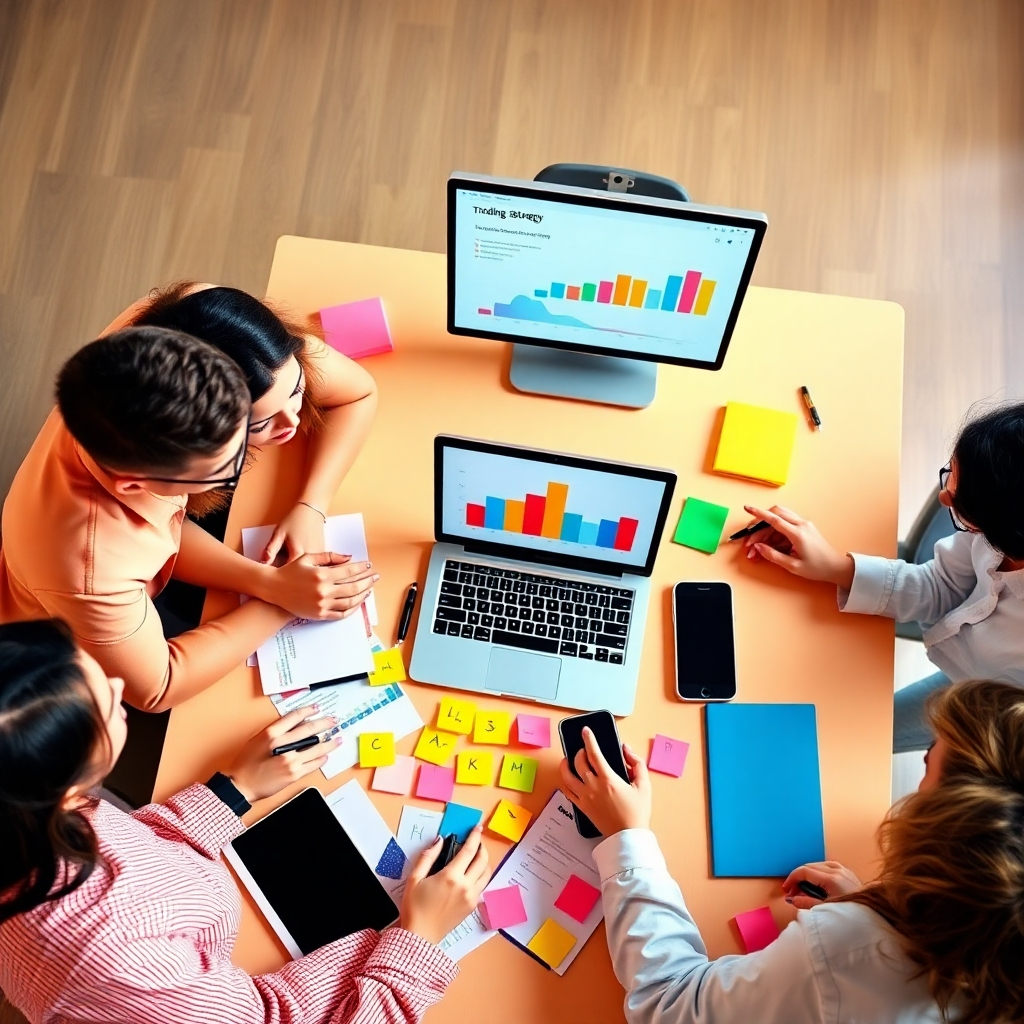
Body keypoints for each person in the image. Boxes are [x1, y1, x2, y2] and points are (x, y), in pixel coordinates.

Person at [0, 619, 489, 1023]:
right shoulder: (114, 961)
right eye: (101, 702)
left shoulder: (27, 814)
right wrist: (419, 939)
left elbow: (140, 855)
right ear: (62, 786)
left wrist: (231, 791)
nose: (117, 684)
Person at [560, 679, 1024, 1024]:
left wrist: (628, 837)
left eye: (926, 766)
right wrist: (878, 905)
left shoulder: (847, 950)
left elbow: (669, 1003)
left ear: (940, 825)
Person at [0, 328, 377, 711]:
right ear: (135, 485)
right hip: (62, 644)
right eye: (222, 472)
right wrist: (282, 600)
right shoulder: (87, 571)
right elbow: (157, 689)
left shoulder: (160, 343)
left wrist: (271, 580)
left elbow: (164, 527)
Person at [741, 402, 1024, 751]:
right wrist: (834, 567)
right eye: (949, 473)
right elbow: (942, 585)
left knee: (847, 742)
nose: (942, 496)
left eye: (961, 502)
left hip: (999, 716)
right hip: (968, 671)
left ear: (1007, 527)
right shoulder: (993, 532)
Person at [104, 282, 378, 563]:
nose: (292, 422)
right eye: (260, 424)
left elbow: (358, 392)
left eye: (296, 390)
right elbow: (160, 531)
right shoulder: (147, 450)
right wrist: (269, 584)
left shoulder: (227, 330)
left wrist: (312, 505)